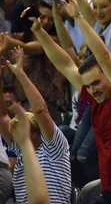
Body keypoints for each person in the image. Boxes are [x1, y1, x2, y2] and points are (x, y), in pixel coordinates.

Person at [34, 0, 111, 202]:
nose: (92, 90)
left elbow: (105, 56)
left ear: (110, 75)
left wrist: (79, 16)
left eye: (97, 83)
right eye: (88, 86)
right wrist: (39, 32)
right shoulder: (96, 101)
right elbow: (65, 65)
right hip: (108, 191)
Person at [1, 46, 69, 203]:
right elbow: (2, 116)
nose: (16, 138)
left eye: (21, 132)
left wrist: (21, 74)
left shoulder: (54, 148)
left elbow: (40, 110)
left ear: (37, 133)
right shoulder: (21, 152)